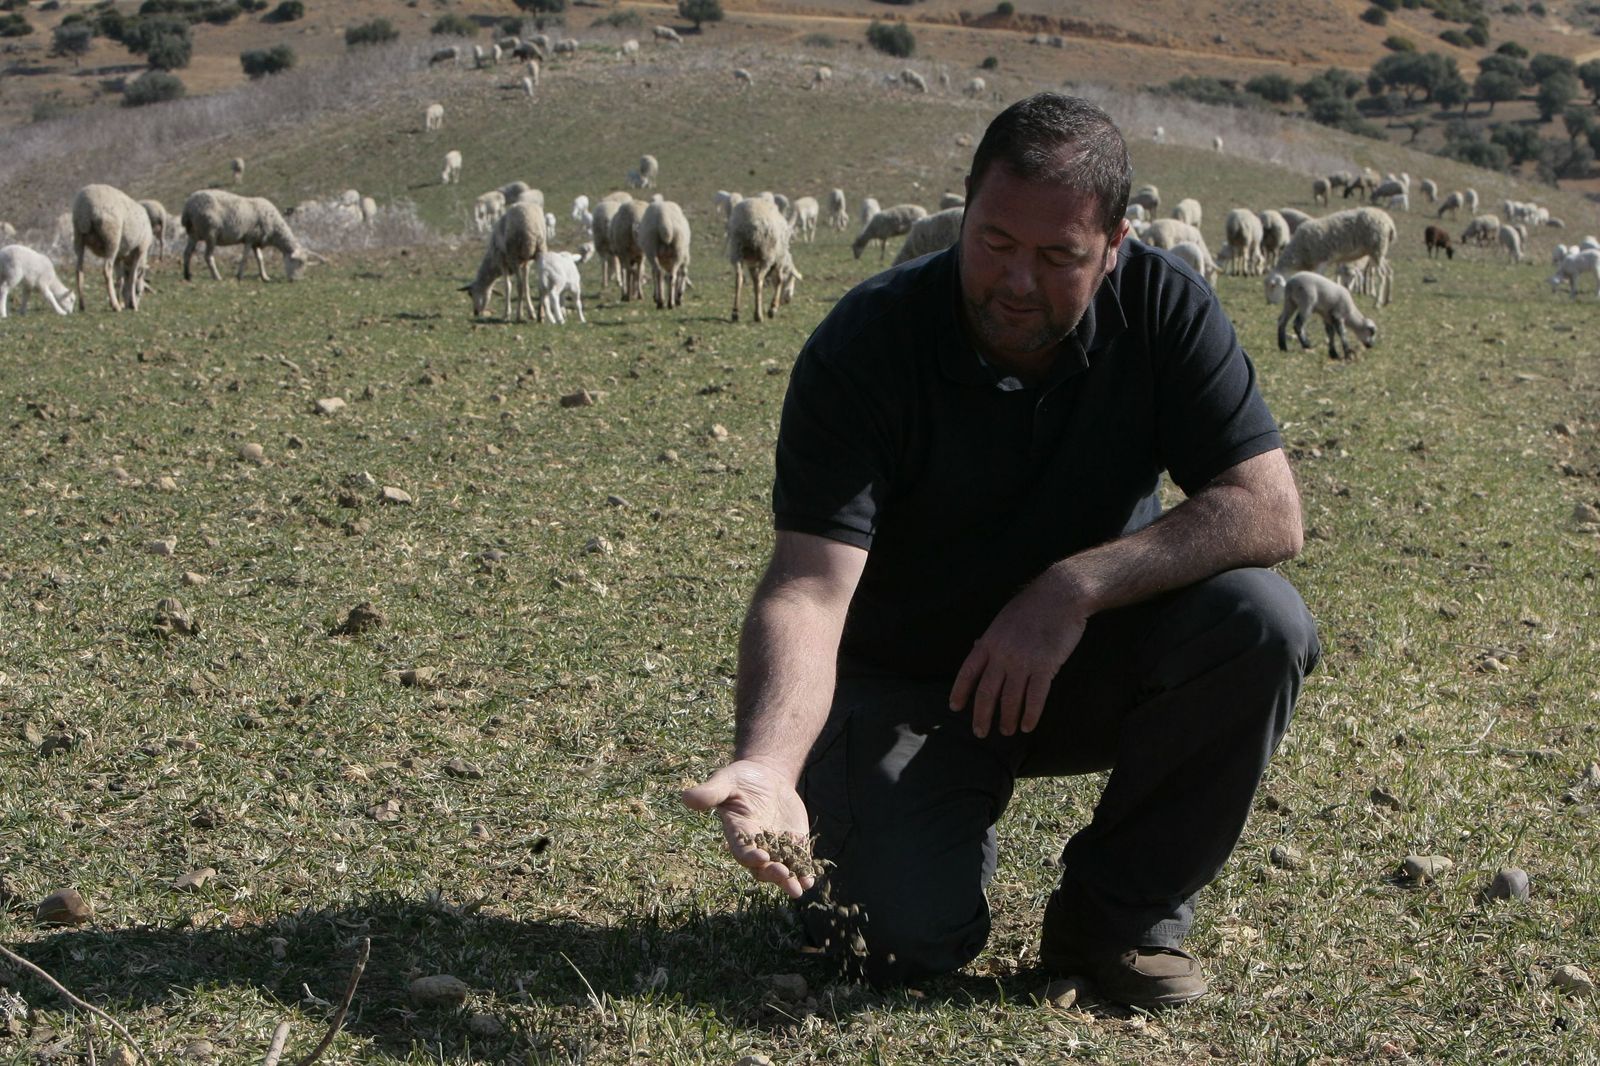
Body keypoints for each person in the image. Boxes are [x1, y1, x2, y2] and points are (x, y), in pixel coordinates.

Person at [682, 93, 1320, 1010]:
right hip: (906, 685)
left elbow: (1269, 510)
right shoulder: (868, 344)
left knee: (1260, 621)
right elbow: (808, 590)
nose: (1017, 282)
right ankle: (899, 825)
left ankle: (1116, 926)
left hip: (1073, 663)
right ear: (966, 211)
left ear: (1116, 244)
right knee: (897, 943)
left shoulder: (1165, 308)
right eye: (994, 243)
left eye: (1059, 257)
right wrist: (771, 763)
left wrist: (1070, 590)